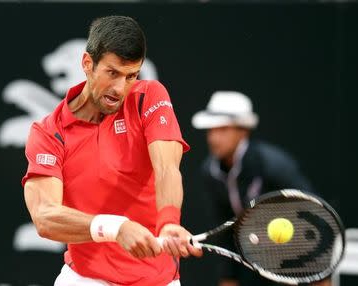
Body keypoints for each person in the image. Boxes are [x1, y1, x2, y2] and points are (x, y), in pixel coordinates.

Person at [21, 15, 202, 286]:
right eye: (112, 73)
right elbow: (45, 217)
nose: (120, 88)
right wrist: (115, 228)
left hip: (157, 280)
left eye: (131, 76)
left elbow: (167, 168)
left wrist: (168, 221)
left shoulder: (148, 97)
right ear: (87, 64)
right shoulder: (49, 132)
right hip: (85, 279)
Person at [189, 91, 330, 286]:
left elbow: (316, 215)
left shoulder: (274, 166)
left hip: (296, 261)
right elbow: (226, 228)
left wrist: (319, 274)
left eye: (223, 129)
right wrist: (229, 277)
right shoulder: (210, 172)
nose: (213, 137)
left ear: (243, 131)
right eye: (211, 130)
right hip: (254, 262)